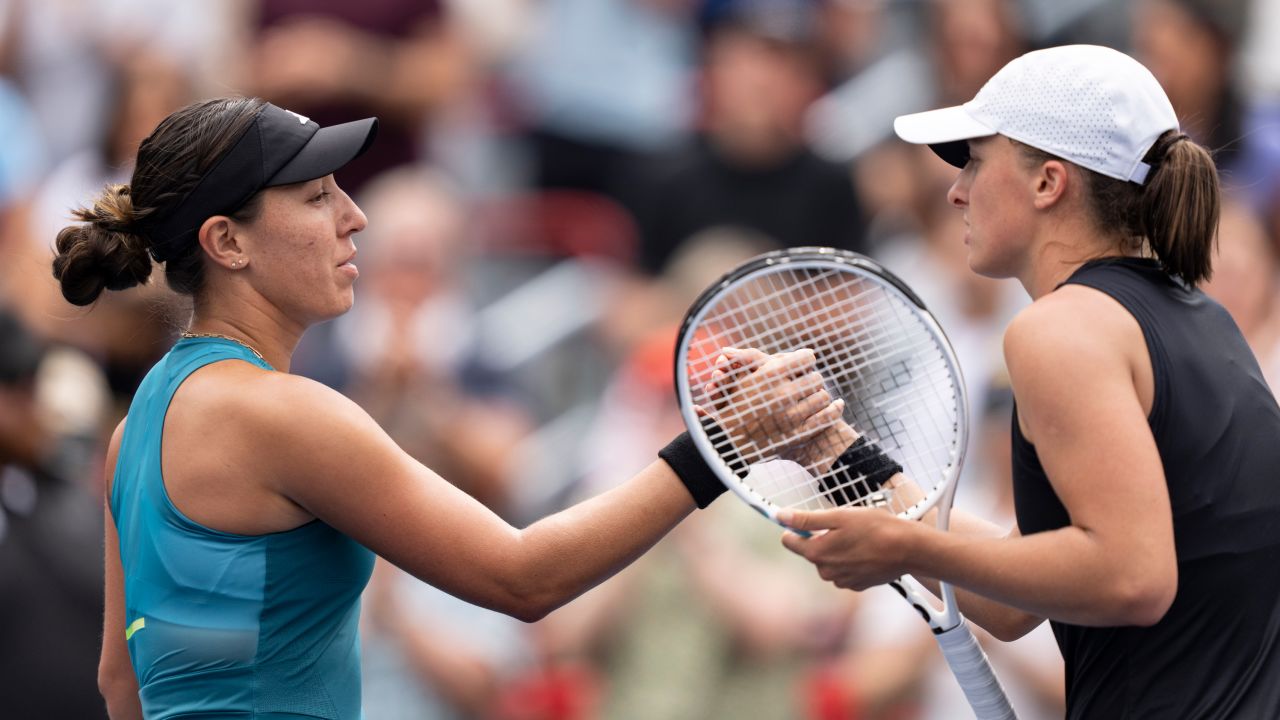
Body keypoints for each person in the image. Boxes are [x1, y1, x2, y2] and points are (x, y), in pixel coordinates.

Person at [53, 97, 846, 718]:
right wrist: (716, 446)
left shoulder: (137, 431)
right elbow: (523, 578)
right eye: (316, 196)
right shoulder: (283, 415)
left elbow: (126, 677)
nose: (353, 217)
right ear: (228, 242)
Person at [780, 44, 1280, 718]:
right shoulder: (1201, 319)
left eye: (977, 162)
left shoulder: (1060, 331)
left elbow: (1133, 577)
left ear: (1049, 183)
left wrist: (905, 547)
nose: (955, 190)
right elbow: (1016, 598)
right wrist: (837, 450)